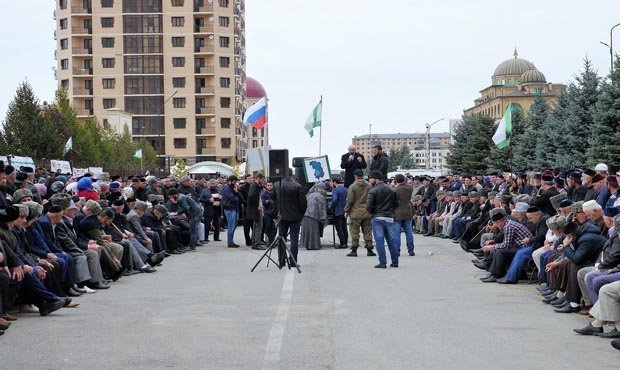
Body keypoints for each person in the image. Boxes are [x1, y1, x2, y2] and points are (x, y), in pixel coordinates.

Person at [478, 208, 533, 282]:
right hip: (518, 246)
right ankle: (494, 273)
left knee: (499, 251)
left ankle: (496, 275)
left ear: (500, 221)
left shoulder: (508, 227)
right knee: (497, 249)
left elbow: (506, 245)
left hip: (524, 248)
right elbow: (507, 243)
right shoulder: (507, 223)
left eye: (496, 223)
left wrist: (491, 247)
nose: (496, 226)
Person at [273, 169, 307, 267]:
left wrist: (275, 215)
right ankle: (293, 261)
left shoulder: (276, 185)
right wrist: (301, 215)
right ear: (292, 175)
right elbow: (303, 203)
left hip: (282, 216)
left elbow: (273, 201)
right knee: (294, 240)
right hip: (295, 217)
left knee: (281, 238)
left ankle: (281, 260)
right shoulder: (297, 186)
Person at [366, 171, 399, 268]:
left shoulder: (373, 190)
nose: (369, 180)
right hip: (389, 217)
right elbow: (396, 204)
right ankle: (395, 261)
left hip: (377, 217)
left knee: (379, 241)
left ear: (375, 179)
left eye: (370, 178)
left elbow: (368, 206)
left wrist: (372, 212)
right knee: (391, 241)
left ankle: (383, 262)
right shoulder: (392, 189)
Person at [344, 169, 375, 257]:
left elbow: (350, 200)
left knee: (354, 231)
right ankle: (369, 249)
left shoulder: (352, 186)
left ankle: (354, 250)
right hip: (367, 212)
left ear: (355, 176)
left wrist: (346, 210)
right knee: (368, 231)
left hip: (355, 212)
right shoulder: (369, 186)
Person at [300, 182, 328, 251]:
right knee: (313, 232)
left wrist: (314, 186)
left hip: (306, 215)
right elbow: (322, 209)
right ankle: (314, 246)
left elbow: (309, 191)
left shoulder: (309, 195)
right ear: (322, 189)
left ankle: (307, 245)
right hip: (314, 216)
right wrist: (324, 219)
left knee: (308, 232)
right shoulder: (320, 197)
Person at [393, 174, 415, 256]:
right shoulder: (410, 188)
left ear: (396, 180)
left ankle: (397, 250)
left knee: (397, 233)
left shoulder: (395, 189)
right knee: (409, 232)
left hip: (397, 212)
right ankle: (411, 250)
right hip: (408, 211)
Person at [221, 176, 241, 248]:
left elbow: (239, 197)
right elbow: (233, 198)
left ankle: (231, 241)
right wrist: (236, 196)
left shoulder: (232, 188)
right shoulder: (227, 188)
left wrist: (236, 192)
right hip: (230, 209)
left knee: (234, 226)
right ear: (231, 181)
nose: (236, 182)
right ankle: (230, 243)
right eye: (235, 181)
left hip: (234, 209)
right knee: (231, 226)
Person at [247, 173, 266, 250]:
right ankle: (257, 243)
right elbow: (251, 196)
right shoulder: (255, 186)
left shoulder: (255, 186)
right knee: (259, 226)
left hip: (255, 209)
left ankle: (254, 242)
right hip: (256, 209)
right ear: (258, 178)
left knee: (256, 226)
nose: (263, 181)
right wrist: (257, 205)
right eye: (262, 179)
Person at [330, 178, 348, 248]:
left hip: (338, 211)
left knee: (339, 227)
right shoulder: (346, 189)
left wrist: (331, 207)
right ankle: (345, 242)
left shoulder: (335, 190)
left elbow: (334, 200)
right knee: (344, 227)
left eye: (331, 182)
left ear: (334, 182)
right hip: (345, 210)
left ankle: (342, 243)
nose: (331, 184)